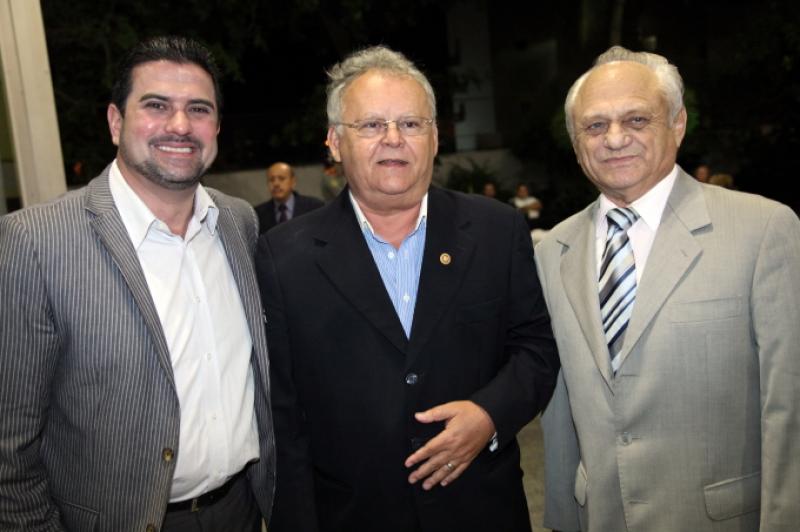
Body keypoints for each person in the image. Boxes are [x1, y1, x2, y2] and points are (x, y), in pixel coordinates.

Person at [256, 45, 559, 532]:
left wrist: (489, 414)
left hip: (479, 510)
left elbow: (537, 347)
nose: (393, 139)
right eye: (372, 125)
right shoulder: (283, 256)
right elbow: (283, 416)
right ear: (335, 142)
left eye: (411, 124)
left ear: (435, 138)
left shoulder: (495, 231)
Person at [0, 36, 275, 532]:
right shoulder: (35, 242)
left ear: (216, 127)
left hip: (242, 510)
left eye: (198, 109)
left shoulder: (238, 222)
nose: (180, 125)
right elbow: (9, 447)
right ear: (115, 121)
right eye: (156, 105)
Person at [536, 45, 799, 532]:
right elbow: (560, 407)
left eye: (636, 119)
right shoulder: (553, 250)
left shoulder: (763, 230)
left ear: (677, 125)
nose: (615, 138)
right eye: (595, 125)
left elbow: (789, 406)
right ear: (576, 143)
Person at [254, 161, 324, 234]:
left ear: (293, 182)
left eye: (281, 178)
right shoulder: (258, 214)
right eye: (271, 180)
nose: (276, 184)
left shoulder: (314, 207)